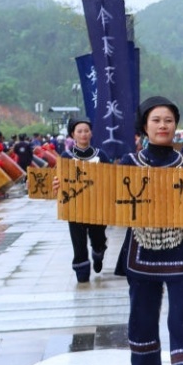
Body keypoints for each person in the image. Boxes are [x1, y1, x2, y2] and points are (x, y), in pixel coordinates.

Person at [116, 96, 183, 365]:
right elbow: (96, 196)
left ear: (175, 126)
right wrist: (65, 190)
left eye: (168, 120)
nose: (163, 125)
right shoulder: (127, 164)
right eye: (156, 120)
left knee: (182, 316)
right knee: (142, 314)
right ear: (145, 127)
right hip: (142, 248)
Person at [60, 118, 112, 283]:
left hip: (97, 206)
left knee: (98, 238)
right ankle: (82, 271)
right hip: (74, 207)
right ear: (73, 135)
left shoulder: (100, 155)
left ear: (91, 133)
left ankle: (98, 253)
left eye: (86, 131)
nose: (83, 134)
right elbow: (60, 179)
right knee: (78, 242)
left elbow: (110, 177)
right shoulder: (66, 157)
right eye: (79, 131)